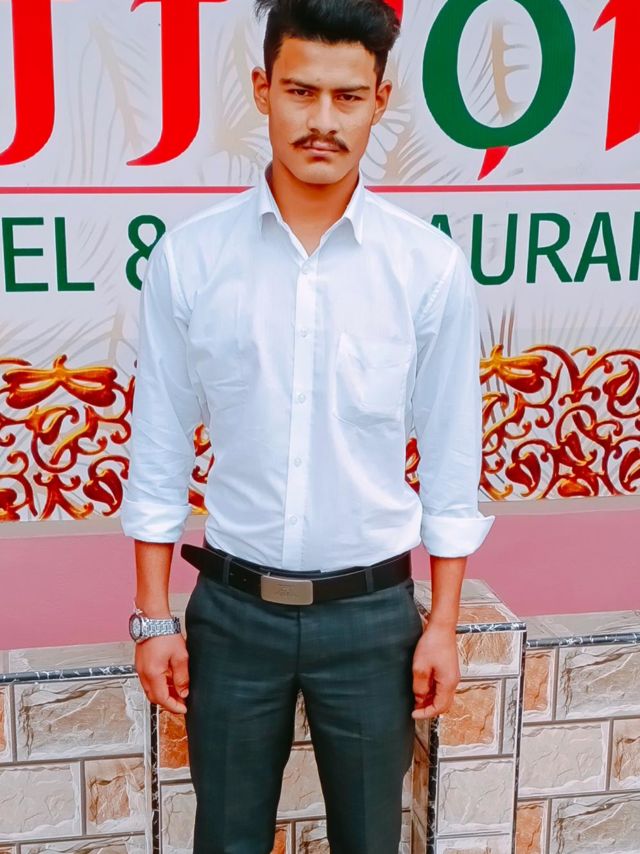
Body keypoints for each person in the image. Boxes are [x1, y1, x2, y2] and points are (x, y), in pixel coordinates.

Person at [121, 0, 495, 851]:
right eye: (300, 91)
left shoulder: (427, 268)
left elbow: (451, 459)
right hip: (230, 616)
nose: (322, 120)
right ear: (262, 90)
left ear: (380, 100)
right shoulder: (191, 258)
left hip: (372, 621)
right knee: (225, 839)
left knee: (369, 839)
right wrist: (153, 617)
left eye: (347, 96)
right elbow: (158, 447)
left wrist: (442, 624)